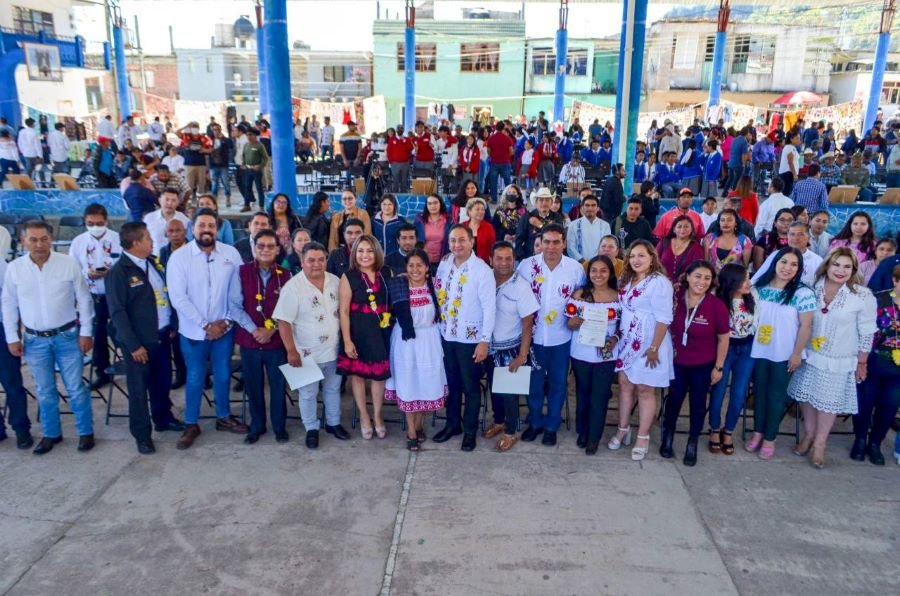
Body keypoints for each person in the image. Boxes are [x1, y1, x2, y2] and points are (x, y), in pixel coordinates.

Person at [2, 221, 95, 455]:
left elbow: (84, 300)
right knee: (44, 389)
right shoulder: (15, 269)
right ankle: (51, 433)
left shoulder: (68, 264)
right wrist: (12, 337)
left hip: (67, 337)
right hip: (34, 341)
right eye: (33, 240)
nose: (39, 244)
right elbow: (9, 305)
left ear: (51, 239)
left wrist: (86, 332)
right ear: (23, 241)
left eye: (44, 239)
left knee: (75, 387)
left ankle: (85, 432)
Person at [167, 208, 249, 450]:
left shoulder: (231, 254)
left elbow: (237, 292)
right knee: (195, 377)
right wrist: (205, 325)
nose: (206, 230)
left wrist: (224, 321)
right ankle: (191, 423)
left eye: (211, 226)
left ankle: (223, 417)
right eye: (201, 225)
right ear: (193, 229)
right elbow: (178, 298)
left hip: (224, 329)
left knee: (223, 374)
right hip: (194, 332)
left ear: (217, 229)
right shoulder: (180, 258)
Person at [789, 248, 876, 469]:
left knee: (828, 403)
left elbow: (867, 332)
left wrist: (862, 361)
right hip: (810, 353)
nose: (840, 270)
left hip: (839, 358)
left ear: (854, 270)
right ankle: (808, 436)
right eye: (836, 264)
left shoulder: (862, 296)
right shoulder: (812, 287)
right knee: (807, 397)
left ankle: (820, 444)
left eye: (847, 266)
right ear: (827, 265)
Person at [106, 222, 184, 454]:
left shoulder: (152, 263)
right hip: (139, 344)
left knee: (161, 382)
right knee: (139, 390)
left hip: (161, 336)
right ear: (136, 242)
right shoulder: (119, 273)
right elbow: (117, 313)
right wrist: (133, 345)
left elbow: (163, 295)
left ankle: (163, 418)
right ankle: (142, 435)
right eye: (148, 238)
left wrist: (171, 324)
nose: (152, 241)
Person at [274, 242, 349, 449]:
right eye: (311, 260)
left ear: (326, 260)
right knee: (308, 393)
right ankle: (311, 429)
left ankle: (333, 424)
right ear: (302, 261)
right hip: (304, 353)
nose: (316, 264)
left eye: (321, 259)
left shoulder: (335, 281)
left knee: (333, 389)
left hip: (334, 350)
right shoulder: (293, 287)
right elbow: (283, 322)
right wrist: (291, 351)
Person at [517, 224, 586, 447]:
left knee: (558, 384)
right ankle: (535, 422)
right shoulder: (528, 266)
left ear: (564, 243)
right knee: (534, 384)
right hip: (533, 338)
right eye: (546, 241)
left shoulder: (575, 269)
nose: (551, 246)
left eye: (556, 242)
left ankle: (551, 426)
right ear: (540, 243)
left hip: (561, 337)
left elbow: (582, 295)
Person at [746, 247, 815, 459]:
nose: (787, 268)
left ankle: (770, 438)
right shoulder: (758, 287)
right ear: (774, 263)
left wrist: (797, 354)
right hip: (758, 350)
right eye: (784, 262)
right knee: (759, 393)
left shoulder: (803, 293)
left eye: (794, 264)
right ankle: (757, 432)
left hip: (785, 353)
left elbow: (806, 326)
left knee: (776, 396)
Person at [660, 261, 730, 466]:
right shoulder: (675, 300)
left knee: (698, 405)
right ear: (688, 277)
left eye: (707, 278)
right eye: (698, 276)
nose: (702, 282)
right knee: (674, 400)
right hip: (677, 362)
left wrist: (718, 367)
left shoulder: (716, 306)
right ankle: (668, 435)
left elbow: (724, 338)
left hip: (703, 365)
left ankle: (693, 441)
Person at [433, 225, 496, 451]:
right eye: (452, 240)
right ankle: (452, 424)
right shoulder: (444, 264)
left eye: (461, 240)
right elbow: (438, 292)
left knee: (470, 387)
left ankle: (469, 430)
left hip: (470, 340)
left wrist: (484, 341)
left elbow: (490, 308)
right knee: (452, 384)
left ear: (472, 241)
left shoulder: (482, 270)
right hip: (447, 335)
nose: (457, 245)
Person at [228, 229, 293, 445]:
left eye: (270, 246)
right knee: (253, 386)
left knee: (277, 386)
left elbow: (289, 308)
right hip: (250, 341)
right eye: (261, 246)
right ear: (254, 248)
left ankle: (280, 427)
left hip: (276, 343)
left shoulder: (286, 275)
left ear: (277, 249)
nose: (265, 250)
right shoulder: (242, 271)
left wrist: (272, 329)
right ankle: (256, 426)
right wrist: (254, 330)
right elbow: (234, 306)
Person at [612, 240, 674, 461]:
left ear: (652, 257)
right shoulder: (627, 279)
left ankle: (643, 436)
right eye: (632, 256)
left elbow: (664, 318)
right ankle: (623, 428)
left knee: (645, 389)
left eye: (641, 255)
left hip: (649, 343)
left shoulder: (659, 283)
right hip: (628, 341)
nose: (636, 260)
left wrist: (654, 347)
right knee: (625, 385)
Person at [384, 249, 447, 451]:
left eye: (419, 265)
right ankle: (411, 430)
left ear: (427, 268)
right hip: (406, 343)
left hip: (429, 341)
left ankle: (419, 424)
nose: (415, 269)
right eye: (411, 265)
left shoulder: (435, 287)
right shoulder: (399, 285)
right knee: (409, 383)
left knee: (425, 384)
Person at [482, 241, 537, 452]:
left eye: (508, 258)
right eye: (499, 258)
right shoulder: (485, 281)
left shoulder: (521, 285)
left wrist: (522, 354)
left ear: (515, 260)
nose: (504, 263)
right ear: (491, 260)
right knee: (494, 390)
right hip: (488, 346)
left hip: (511, 349)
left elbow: (528, 321)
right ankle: (499, 422)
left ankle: (510, 432)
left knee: (509, 394)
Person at [338, 234, 392, 439]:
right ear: (354, 253)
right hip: (357, 331)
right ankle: (363, 416)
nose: (365, 255)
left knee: (378, 377)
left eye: (369, 250)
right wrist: (347, 340)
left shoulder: (386, 273)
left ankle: (378, 415)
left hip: (380, 331)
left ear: (376, 252)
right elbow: (343, 311)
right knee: (358, 376)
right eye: (360, 251)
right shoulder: (348, 277)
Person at [566, 255, 620, 454]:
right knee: (583, 393)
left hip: (605, 355)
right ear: (588, 273)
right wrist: (575, 321)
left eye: (603, 270)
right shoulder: (580, 294)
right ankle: (583, 430)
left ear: (610, 273)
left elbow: (622, 328)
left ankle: (594, 437)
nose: (598, 275)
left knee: (600, 395)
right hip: (581, 353)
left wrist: (613, 339)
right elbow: (568, 323)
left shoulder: (618, 297)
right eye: (594, 270)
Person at [707, 263, 757, 456]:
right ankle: (713, 429)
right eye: (744, 279)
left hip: (747, 349)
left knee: (738, 394)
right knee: (718, 392)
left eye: (748, 278)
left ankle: (728, 431)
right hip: (725, 349)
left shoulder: (753, 298)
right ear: (732, 281)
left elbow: (757, 324)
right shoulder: (717, 300)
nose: (748, 283)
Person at [69, 203, 121, 390]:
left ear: (106, 221)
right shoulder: (78, 242)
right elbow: (72, 270)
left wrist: (110, 272)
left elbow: (126, 264)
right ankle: (102, 371)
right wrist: (86, 273)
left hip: (115, 294)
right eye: (91, 223)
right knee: (97, 333)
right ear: (85, 222)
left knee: (120, 331)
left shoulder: (117, 239)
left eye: (99, 223)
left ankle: (129, 363)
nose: (95, 227)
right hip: (92, 294)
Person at [854, 263, 900, 465]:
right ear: (895, 280)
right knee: (864, 402)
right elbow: (864, 331)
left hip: (897, 367)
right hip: (873, 359)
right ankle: (860, 439)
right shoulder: (877, 300)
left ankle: (875, 443)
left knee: (889, 406)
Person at [752, 221, 823, 287]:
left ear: (808, 238)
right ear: (787, 237)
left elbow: (820, 286)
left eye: (801, 234)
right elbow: (758, 278)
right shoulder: (776, 255)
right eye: (792, 234)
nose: (796, 238)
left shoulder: (817, 261)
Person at [515, 187, 564, 260]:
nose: (544, 203)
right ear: (536, 203)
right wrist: (521, 259)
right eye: (541, 200)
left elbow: (560, 237)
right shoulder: (527, 216)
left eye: (547, 200)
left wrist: (540, 225)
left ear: (551, 203)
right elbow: (519, 239)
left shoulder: (557, 217)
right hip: (530, 258)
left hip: (551, 258)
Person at [657, 216, 704, 286]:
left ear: (692, 229)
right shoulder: (664, 242)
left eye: (686, 226)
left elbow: (698, 268)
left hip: (684, 286)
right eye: (679, 226)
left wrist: (685, 275)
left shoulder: (696, 247)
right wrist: (661, 271)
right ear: (674, 229)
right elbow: (654, 259)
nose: (682, 229)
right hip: (661, 283)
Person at [143, 188, 190, 256]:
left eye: (173, 200)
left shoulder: (184, 219)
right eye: (167, 199)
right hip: (155, 258)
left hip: (178, 257)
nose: (170, 203)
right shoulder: (149, 218)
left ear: (178, 202)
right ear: (159, 200)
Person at [567, 194, 611, 264]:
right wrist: (583, 261)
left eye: (593, 205)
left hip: (599, 263)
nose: (590, 208)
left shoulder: (605, 225)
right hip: (579, 264)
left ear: (598, 208)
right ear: (582, 208)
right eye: (587, 205)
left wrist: (597, 261)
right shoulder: (573, 225)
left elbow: (606, 247)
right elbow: (570, 247)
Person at [414, 194, 451, 270]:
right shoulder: (419, 219)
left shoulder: (449, 220)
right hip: (423, 260)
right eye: (429, 203)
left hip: (443, 261)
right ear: (426, 206)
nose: (432, 206)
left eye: (435, 203)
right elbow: (414, 238)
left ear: (440, 204)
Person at [485, 122, 515, 203]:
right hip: (505, 162)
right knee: (507, 181)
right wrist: (506, 156)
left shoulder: (491, 138)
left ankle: (494, 199)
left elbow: (488, 151)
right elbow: (511, 152)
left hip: (494, 162)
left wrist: (493, 155)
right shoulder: (507, 138)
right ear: (503, 128)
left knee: (493, 181)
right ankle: (510, 199)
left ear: (496, 128)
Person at [241, 128, 269, 212]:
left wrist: (260, 166)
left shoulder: (259, 145)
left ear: (255, 135)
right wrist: (243, 164)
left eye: (251, 135)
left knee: (259, 188)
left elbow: (265, 158)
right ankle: (247, 205)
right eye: (247, 135)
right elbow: (244, 156)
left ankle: (261, 207)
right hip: (248, 169)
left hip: (256, 170)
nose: (249, 137)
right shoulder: (246, 145)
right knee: (247, 187)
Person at [463, 197, 496, 264]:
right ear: (469, 211)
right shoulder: (462, 226)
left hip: (483, 263)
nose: (481, 212)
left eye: (483, 209)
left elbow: (493, 246)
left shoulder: (488, 227)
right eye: (477, 209)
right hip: (464, 262)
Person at [779, 131, 801, 195]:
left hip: (788, 173)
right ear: (791, 139)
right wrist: (794, 174)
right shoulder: (789, 148)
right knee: (787, 192)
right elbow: (790, 162)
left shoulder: (792, 148)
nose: (799, 140)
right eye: (797, 138)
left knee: (787, 192)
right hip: (788, 173)